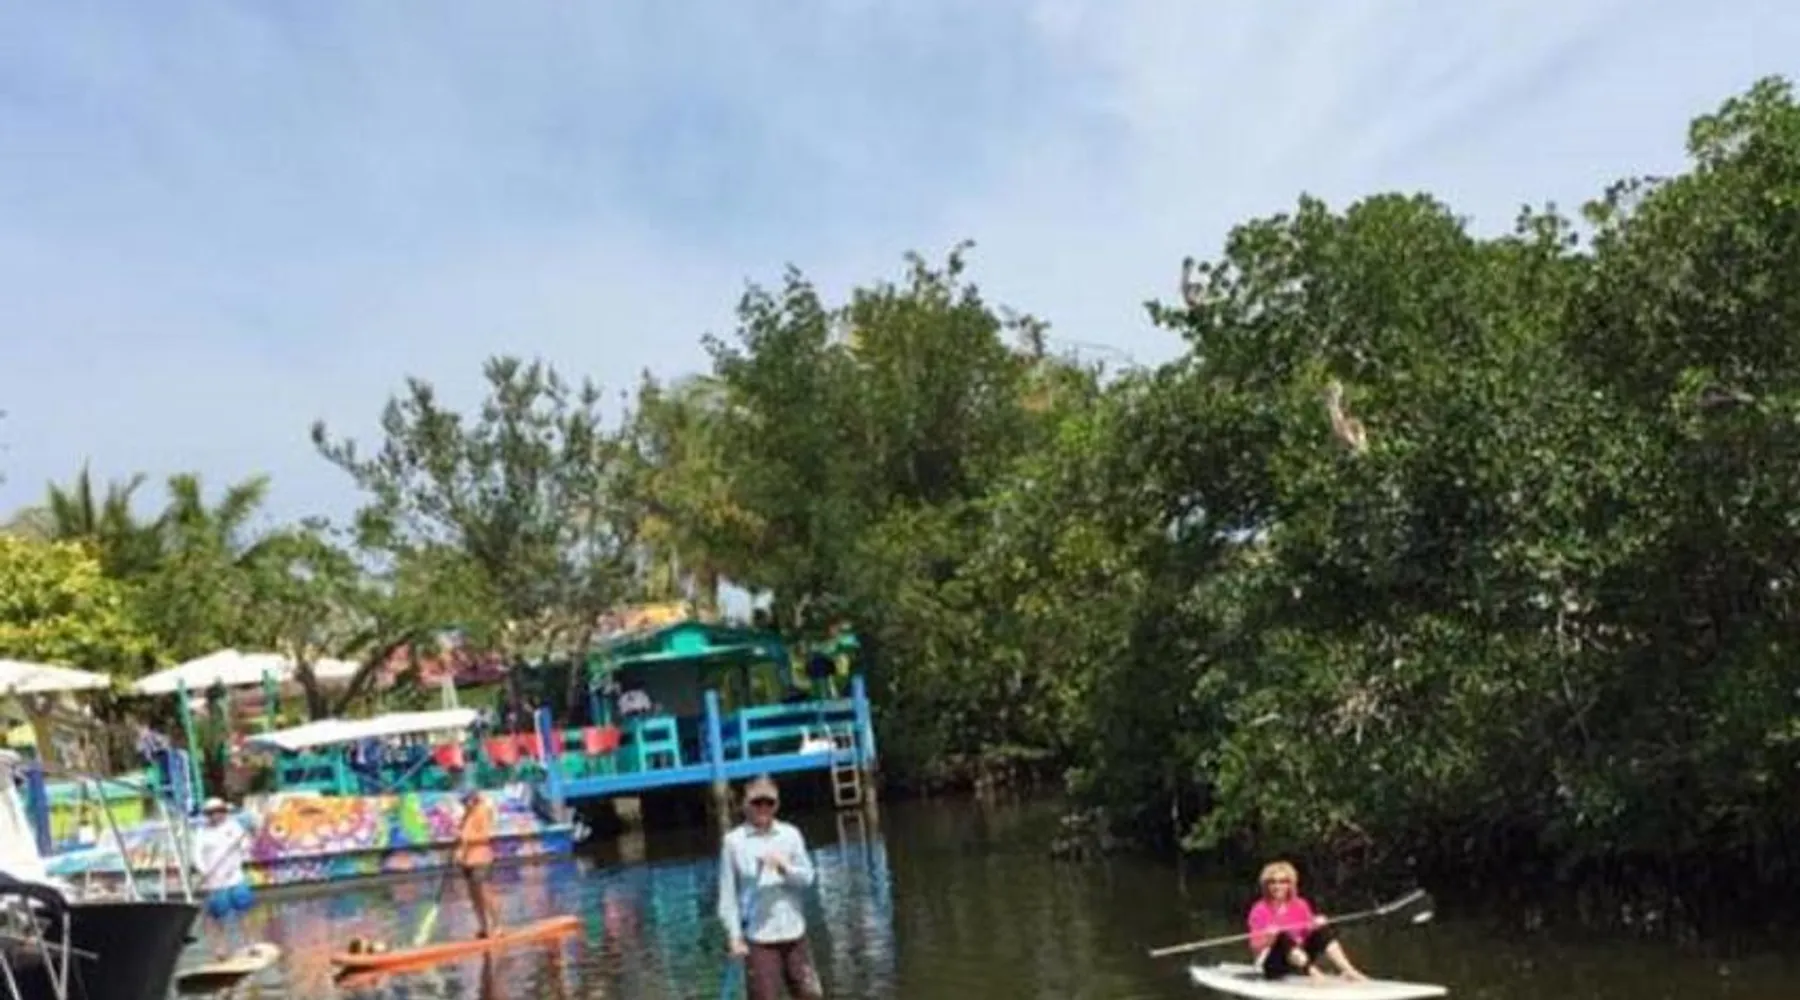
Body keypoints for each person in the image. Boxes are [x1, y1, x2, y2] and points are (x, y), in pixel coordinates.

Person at [717, 775, 821, 1000]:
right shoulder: (733, 842)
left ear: (777, 804)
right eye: (757, 802)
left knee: (810, 995)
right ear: (745, 804)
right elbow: (728, 897)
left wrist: (785, 868)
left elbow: (808, 879)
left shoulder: (791, 834)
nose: (763, 808)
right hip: (759, 938)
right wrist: (734, 937)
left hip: (795, 933)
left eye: (769, 802)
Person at [1247, 860, 1366, 981]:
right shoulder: (1259, 909)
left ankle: (1349, 970)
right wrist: (1269, 937)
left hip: (1298, 958)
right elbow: (1255, 946)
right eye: (1272, 882)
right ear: (1266, 885)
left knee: (1322, 931)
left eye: (1283, 881)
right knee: (1282, 936)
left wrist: (1316, 924)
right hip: (1272, 964)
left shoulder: (1300, 904)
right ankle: (1314, 973)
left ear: (1290, 884)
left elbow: (1308, 931)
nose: (1277, 886)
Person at [192, 797, 254, 959]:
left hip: (235, 876)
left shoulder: (234, 826)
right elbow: (197, 856)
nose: (217, 815)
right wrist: (204, 871)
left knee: (243, 910)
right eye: (212, 813)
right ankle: (221, 948)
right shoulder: (202, 832)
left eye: (220, 812)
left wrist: (242, 844)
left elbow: (246, 844)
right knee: (219, 915)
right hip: (215, 881)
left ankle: (250, 944)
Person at [454, 786, 503, 938]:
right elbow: (463, 836)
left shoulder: (483, 811)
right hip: (467, 861)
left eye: (466, 800)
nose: (464, 804)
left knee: (486, 892)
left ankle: (497, 926)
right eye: (462, 801)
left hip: (481, 858)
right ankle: (483, 927)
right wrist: (460, 846)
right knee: (473, 894)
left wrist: (465, 839)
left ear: (473, 798)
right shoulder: (466, 814)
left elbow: (485, 835)